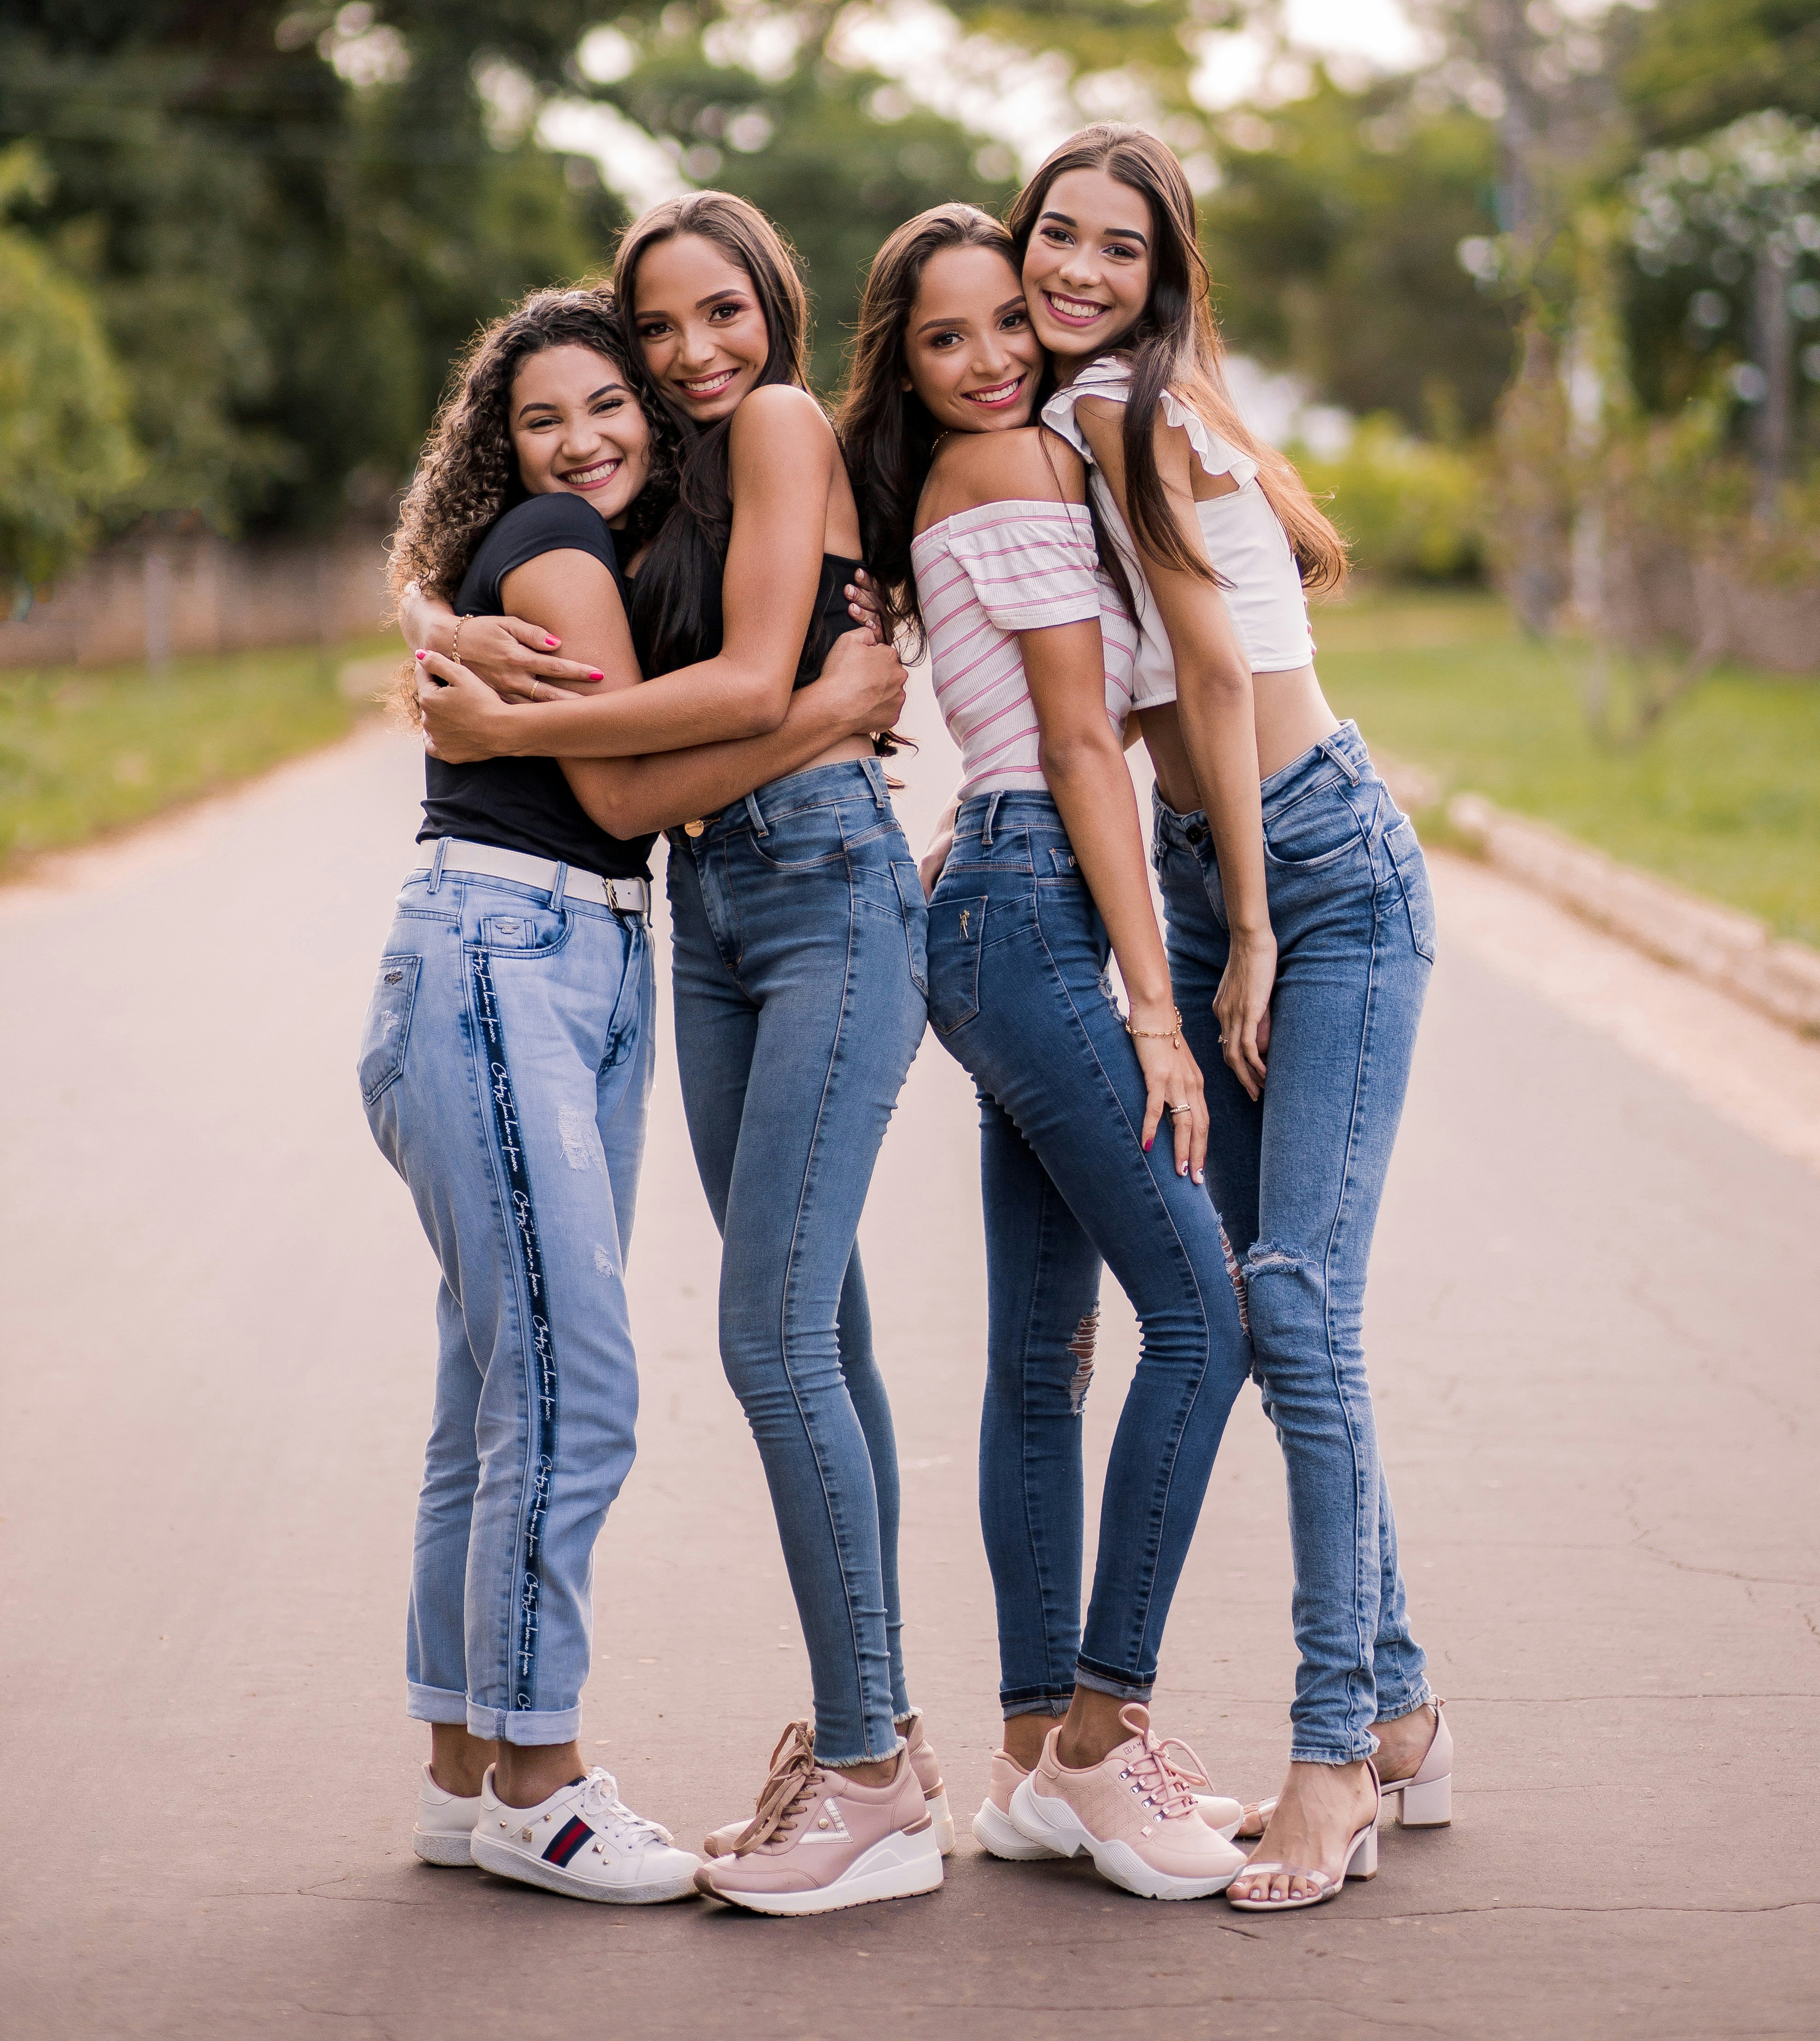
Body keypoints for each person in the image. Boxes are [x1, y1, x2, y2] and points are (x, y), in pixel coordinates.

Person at [409, 200, 948, 1917]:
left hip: (820, 894)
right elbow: (514, 555)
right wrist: (438, 618)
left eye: (724, 314)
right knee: (819, 1324)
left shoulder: (778, 425)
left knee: (772, 1335)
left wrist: (513, 721)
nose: (695, 352)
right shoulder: (666, 489)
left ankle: (866, 1773)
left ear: (775, 310)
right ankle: (887, 1742)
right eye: (661, 329)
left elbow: (735, 678)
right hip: (712, 911)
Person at [1017, 124, 1449, 1911]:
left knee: (1284, 1292)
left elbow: (1211, 674)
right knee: (1287, 1316)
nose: (1082, 272)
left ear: (1162, 272)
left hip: (1321, 874)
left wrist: (1249, 933)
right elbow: (1119, 706)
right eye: (1060, 235)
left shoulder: (1122, 410)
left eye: (1122, 248)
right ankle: (1409, 1696)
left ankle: (1334, 1751)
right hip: (1220, 875)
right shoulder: (1058, 435)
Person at [838, 203, 1255, 1904]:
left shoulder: (999, 470)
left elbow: (1029, 725)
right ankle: (1097, 1741)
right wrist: (1157, 1005)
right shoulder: (1006, 474)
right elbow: (1082, 740)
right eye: (948, 340)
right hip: (1036, 911)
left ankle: (1027, 1760)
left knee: (1044, 1354)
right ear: (909, 368)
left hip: (1003, 906)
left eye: (1009, 318)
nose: (998, 354)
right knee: (1205, 1316)